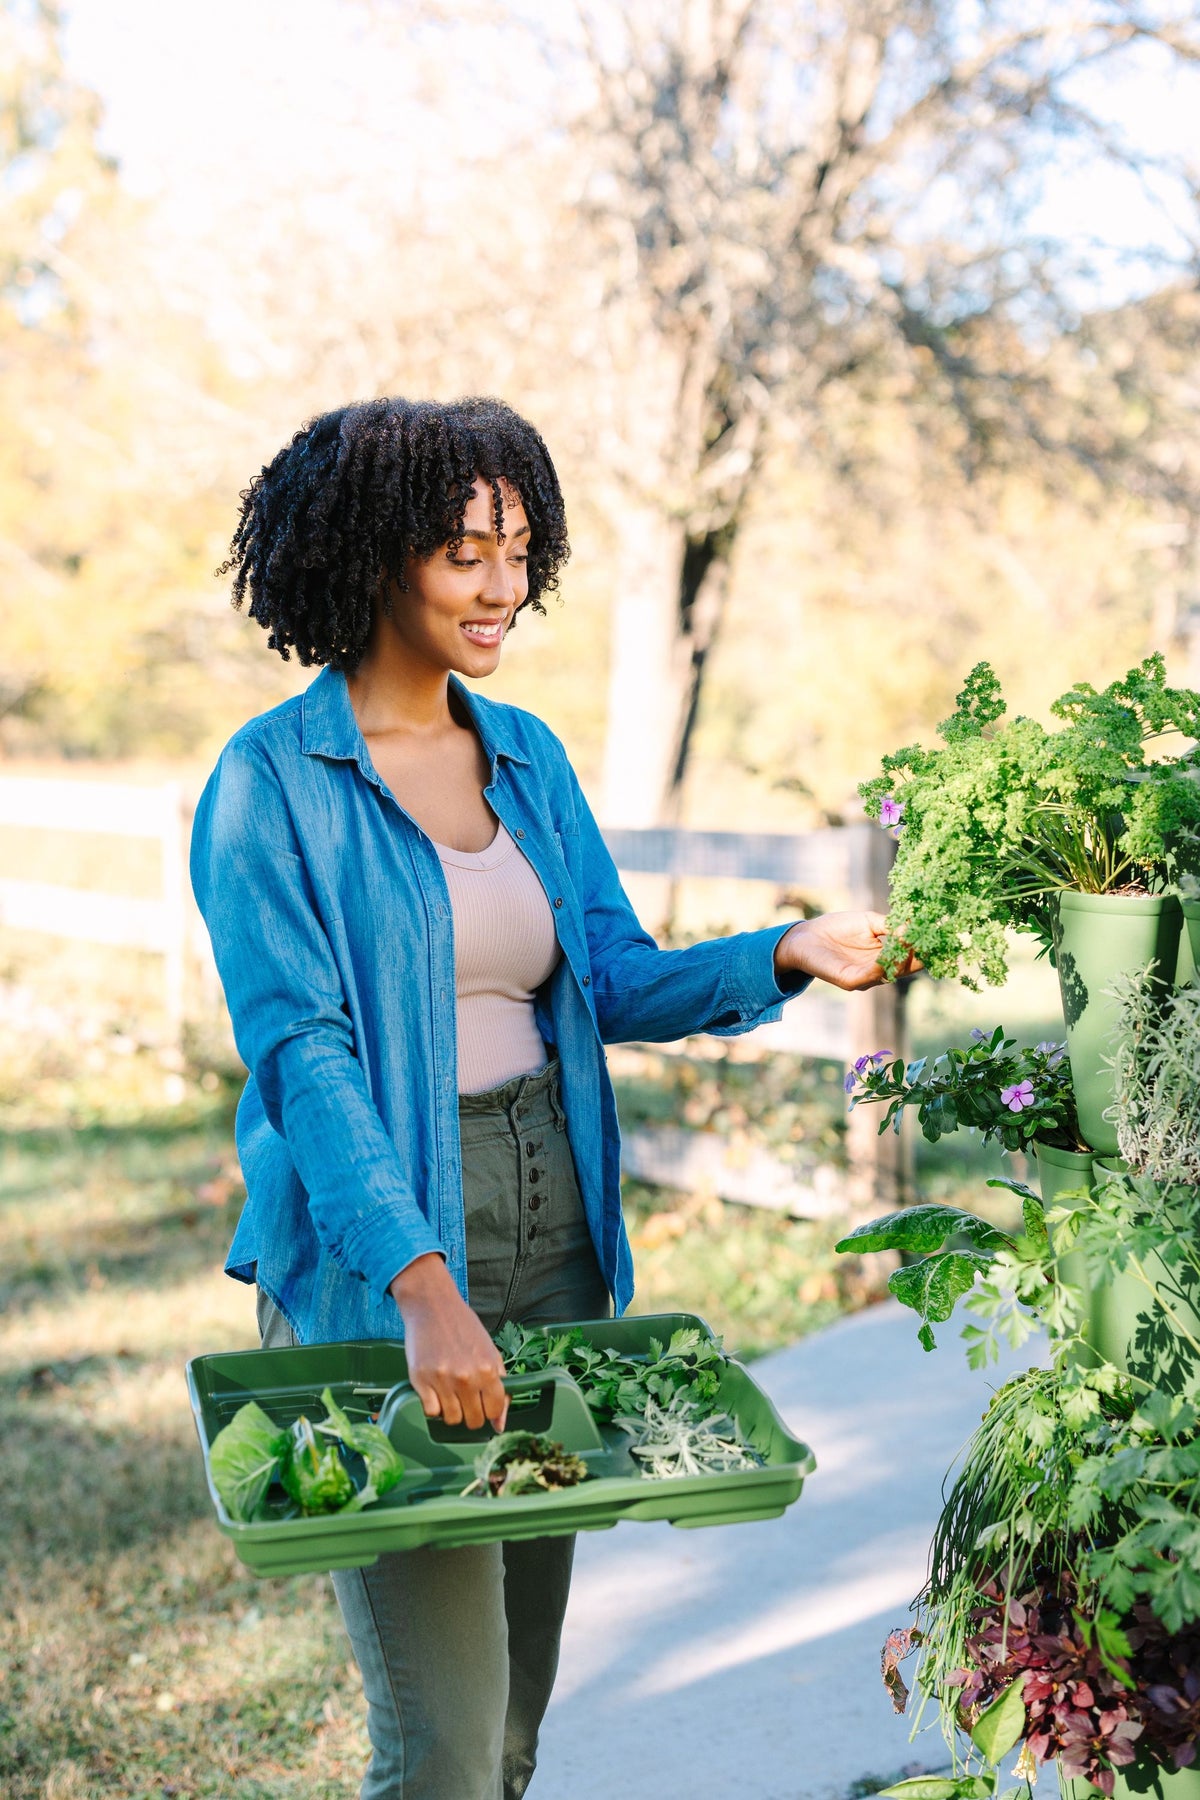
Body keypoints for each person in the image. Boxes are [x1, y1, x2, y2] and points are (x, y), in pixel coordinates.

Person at [190, 395, 916, 1800]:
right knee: (445, 1751)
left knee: (516, 1731)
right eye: (465, 553)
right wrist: (421, 1284)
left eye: (520, 551)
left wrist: (780, 953)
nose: (503, 587)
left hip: (553, 1241)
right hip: (388, 1259)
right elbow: (304, 1058)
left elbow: (606, 979)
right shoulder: (269, 784)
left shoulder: (523, 752)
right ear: (368, 557)